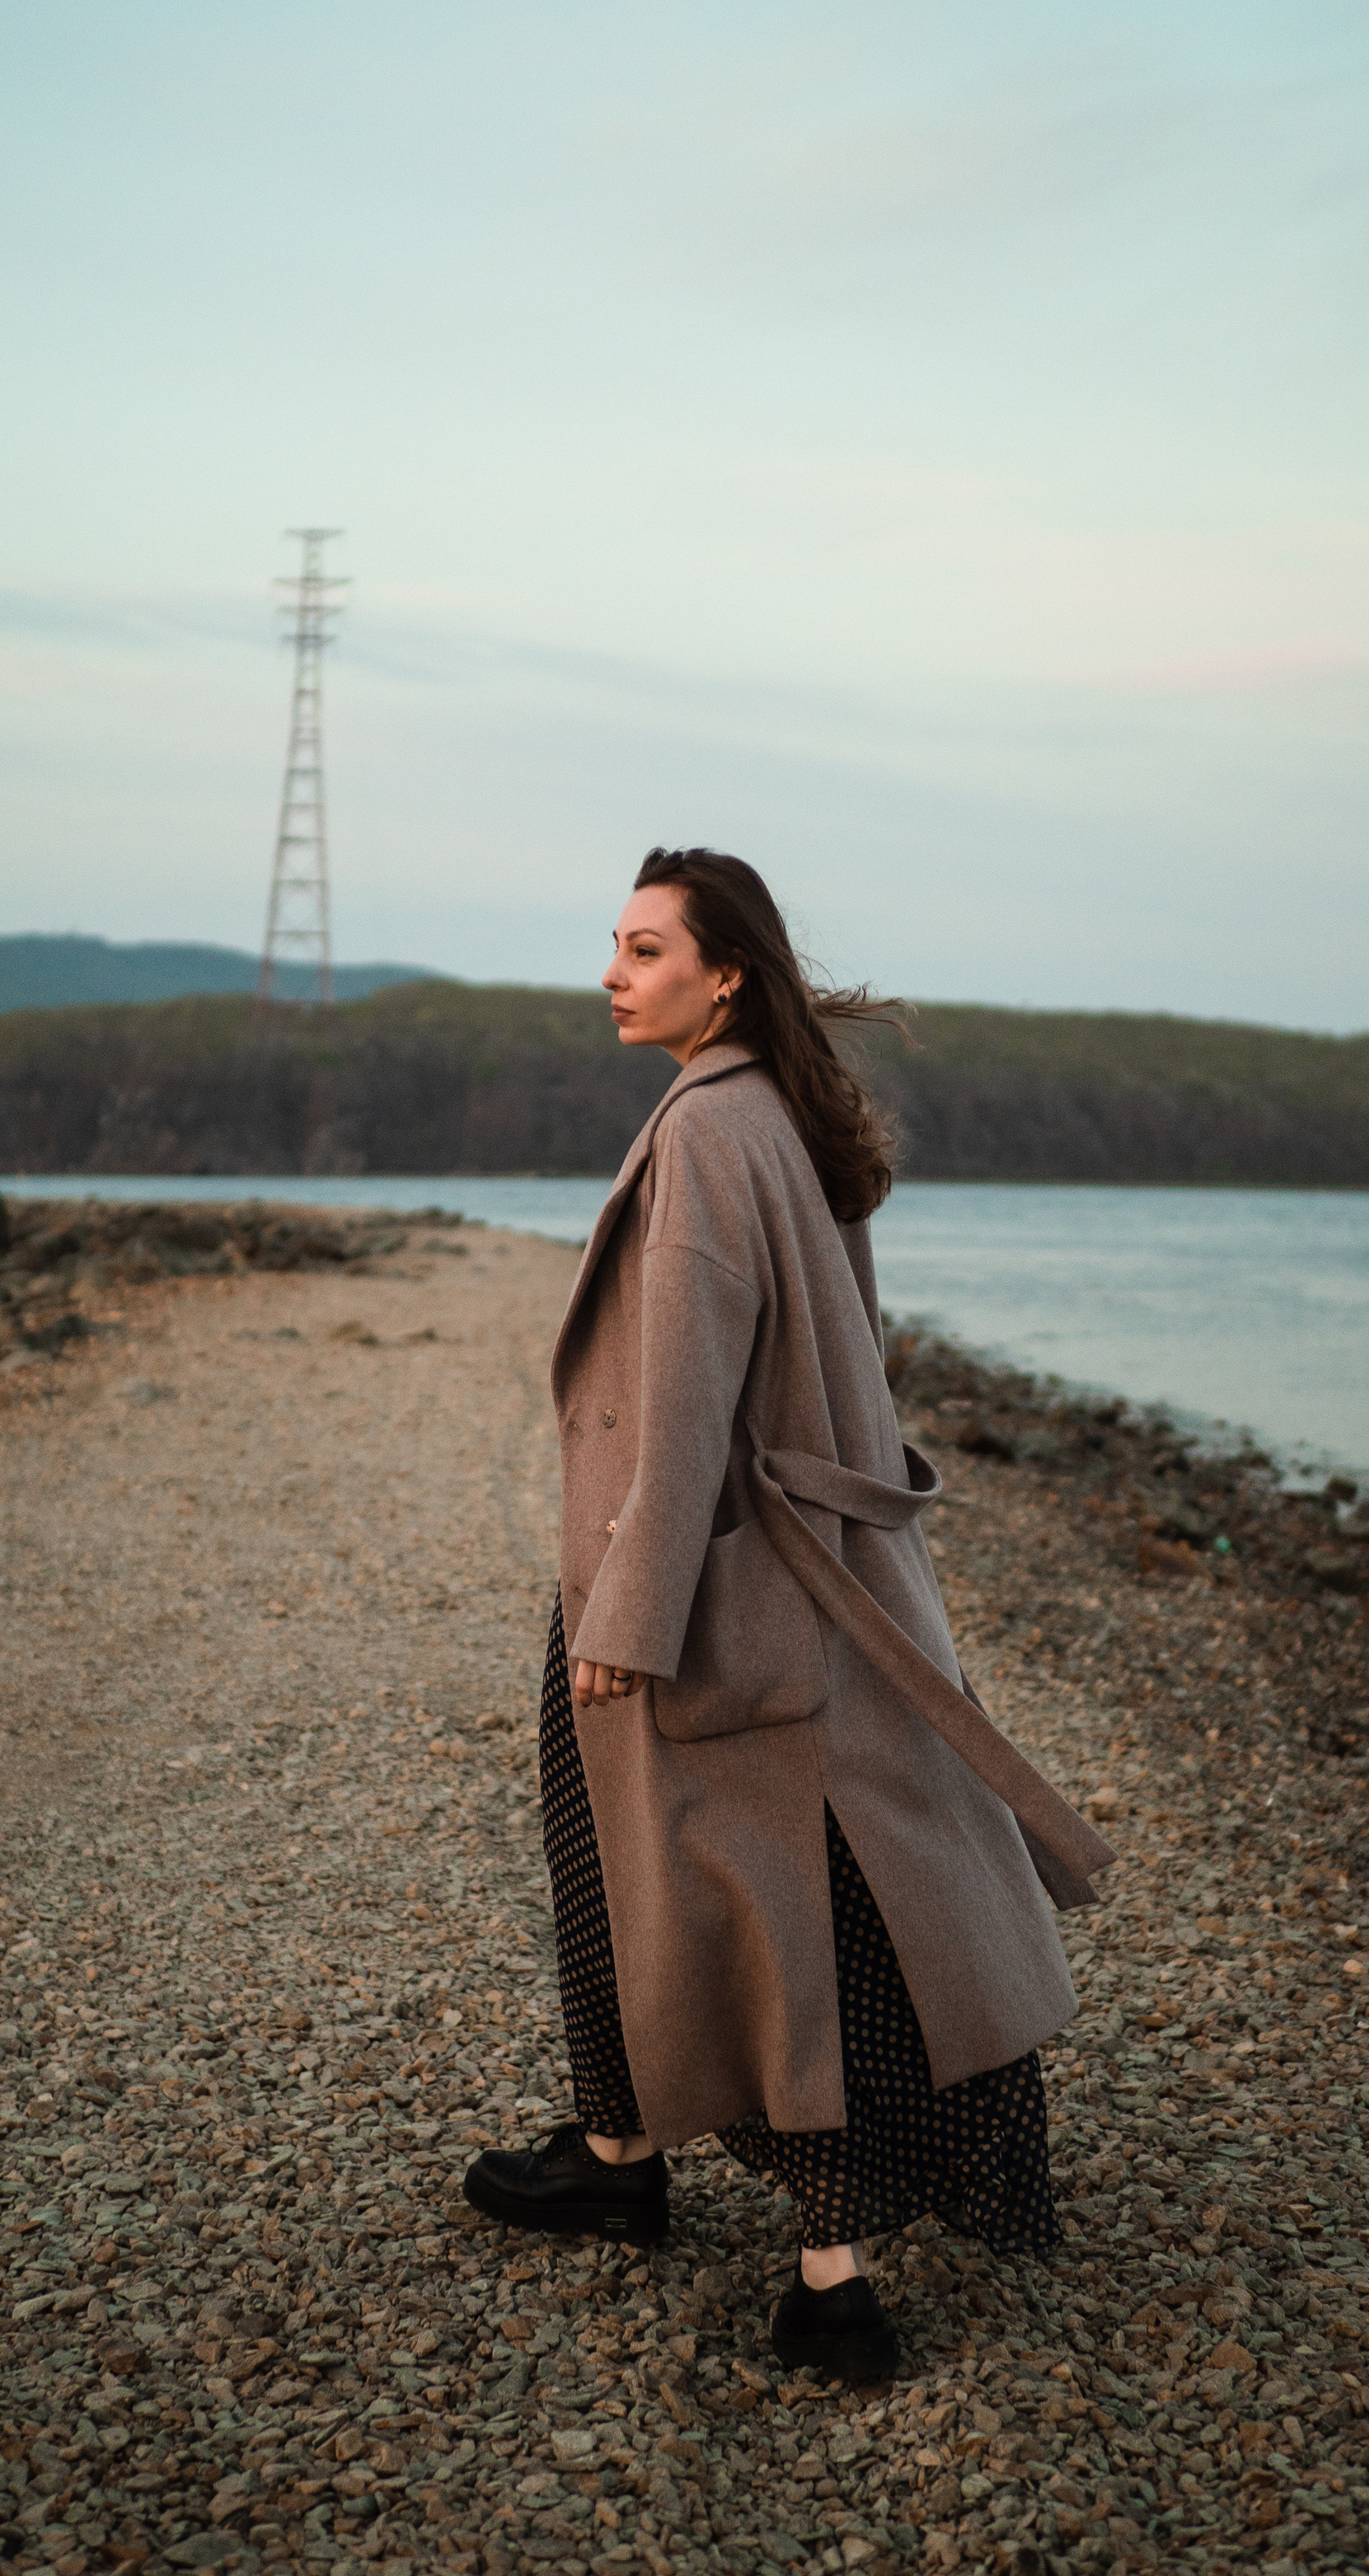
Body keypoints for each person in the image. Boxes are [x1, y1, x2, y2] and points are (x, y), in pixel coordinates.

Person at [463, 847, 1113, 2383]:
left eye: (642, 948)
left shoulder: (708, 1134)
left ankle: (833, 2279)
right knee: (663, 1874)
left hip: (703, 1585)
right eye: (611, 946)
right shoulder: (781, 1114)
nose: (612, 972)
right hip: (795, 1570)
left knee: (754, 1911)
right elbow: (847, 1352)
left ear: (726, 970)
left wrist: (632, 1605)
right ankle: (620, 2151)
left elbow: (688, 1394)